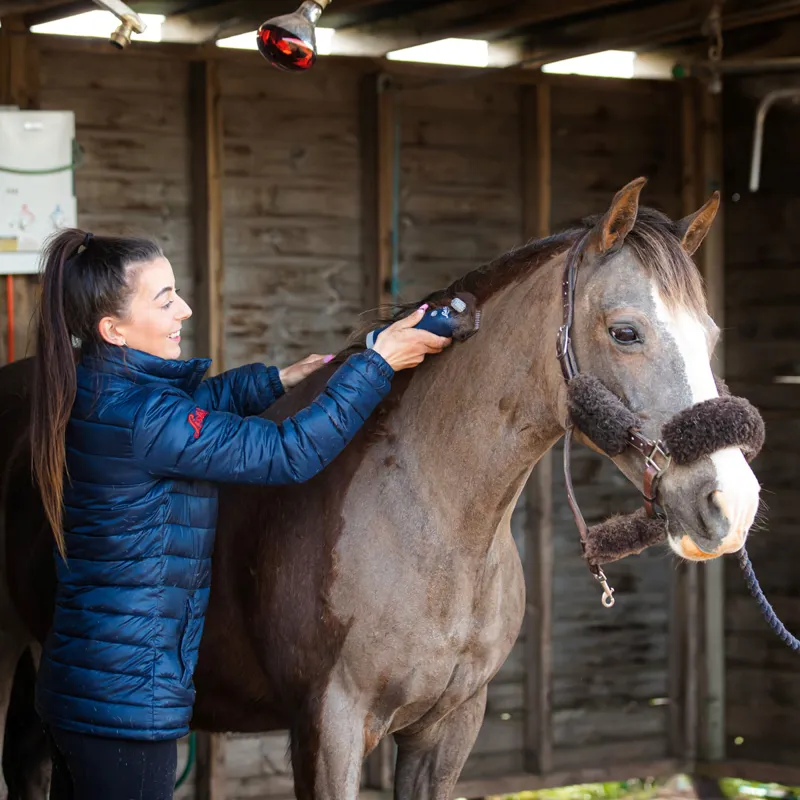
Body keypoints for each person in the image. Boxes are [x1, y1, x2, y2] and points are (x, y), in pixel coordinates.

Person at [30, 229, 449, 800]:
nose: (184, 308)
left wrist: (276, 381)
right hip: (123, 707)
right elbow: (289, 452)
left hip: (84, 687)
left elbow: (193, 409)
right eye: (164, 299)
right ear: (114, 330)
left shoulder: (100, 389)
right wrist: (376, 364)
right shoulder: (145, 418)